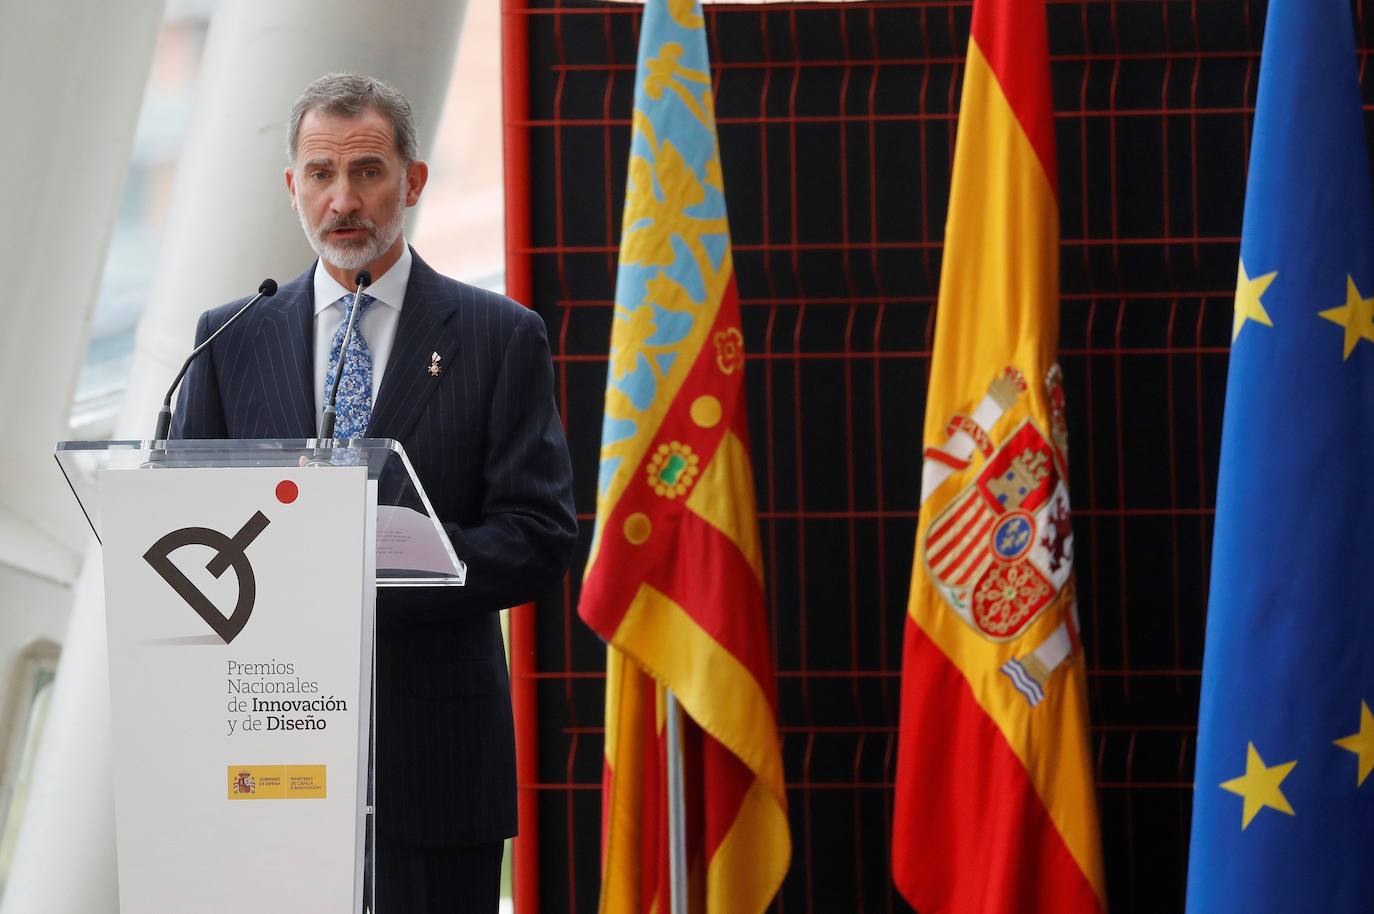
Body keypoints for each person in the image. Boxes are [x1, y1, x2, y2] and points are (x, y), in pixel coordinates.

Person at [170, 73, 578, 912]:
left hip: (432, 761)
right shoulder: (229, 337)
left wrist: (381, 566)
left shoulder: (500, 337)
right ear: (293, 188)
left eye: (367, 172)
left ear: (414, 181)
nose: (342, 200)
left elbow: (538, 536)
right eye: (320, 175)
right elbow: (181, 528)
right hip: (263, 758)